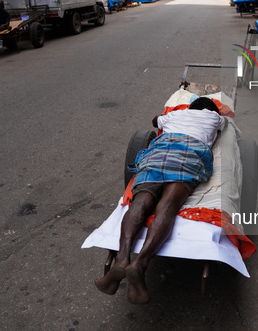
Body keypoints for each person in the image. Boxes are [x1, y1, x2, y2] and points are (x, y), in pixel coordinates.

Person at [94, 97, 226, 304]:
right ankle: (140, 264)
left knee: (140, 202)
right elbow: (223, 128)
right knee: (168, 206)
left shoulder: (176, 115)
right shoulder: (215, 118)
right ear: (211, 109)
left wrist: (171, 115)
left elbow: (155, 121)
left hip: (160, 153)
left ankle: (121, 259)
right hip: (188, 156)